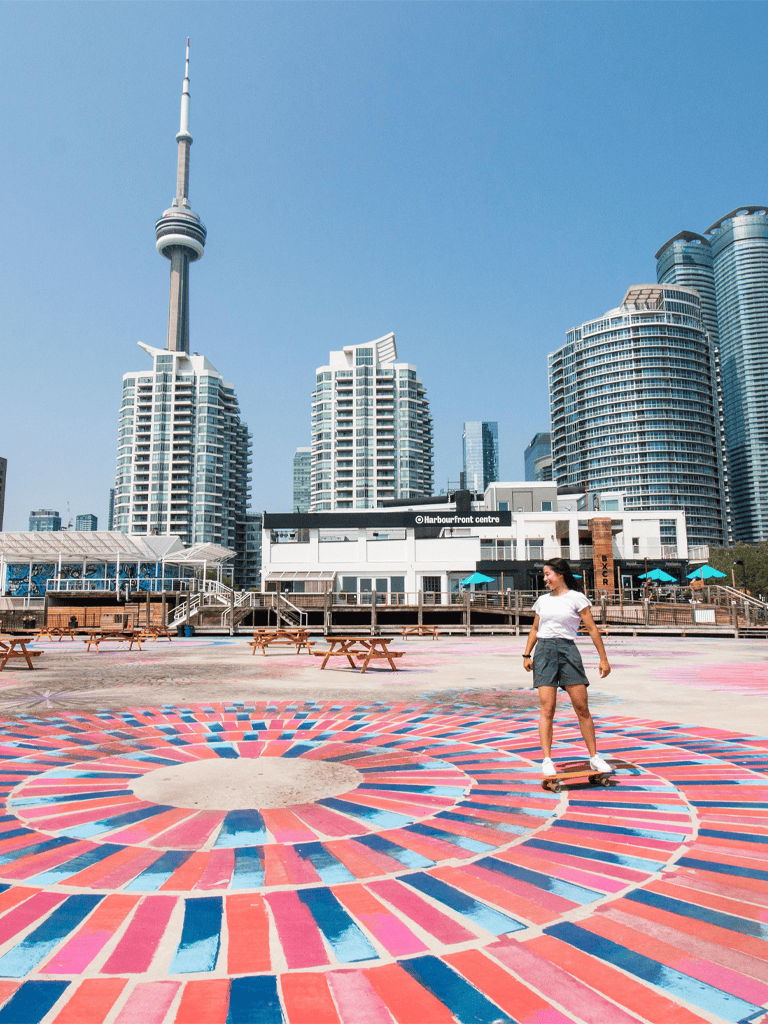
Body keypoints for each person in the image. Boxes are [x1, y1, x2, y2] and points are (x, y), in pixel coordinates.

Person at [522, 558, 611, 777]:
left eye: (548, 574)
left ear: (560, 574)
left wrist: (603, 659)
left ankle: (594, 758)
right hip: (543, 651)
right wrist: (527, 654)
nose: (545, 579)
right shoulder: (542, 601)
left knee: (582, 707)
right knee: (548, 708)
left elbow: (592, 629)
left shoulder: (577, 598)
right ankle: (546, 760)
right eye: (544, 575)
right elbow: (535, 629)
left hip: (568, 651)